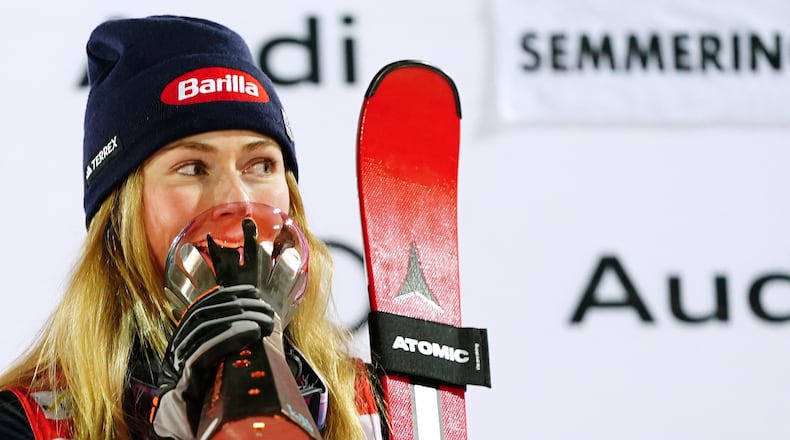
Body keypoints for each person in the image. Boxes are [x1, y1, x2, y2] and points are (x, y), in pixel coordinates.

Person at [0, 15, 385, 439]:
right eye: (193, 168)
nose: (237, 200)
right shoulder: (30, 423)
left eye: (261, 164)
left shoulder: (374, 407)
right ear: (120, 215)